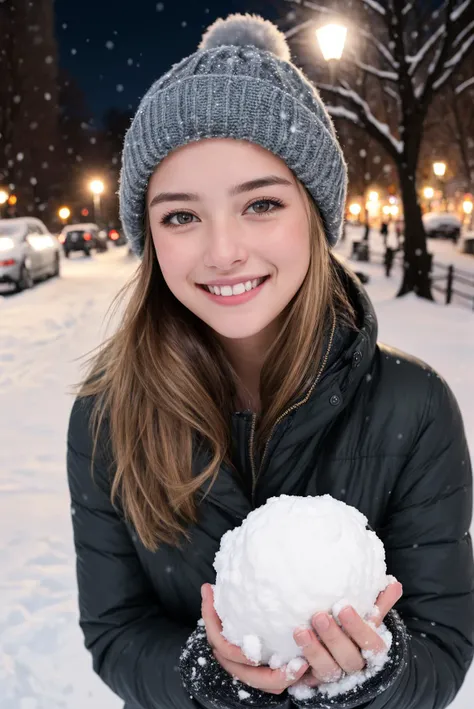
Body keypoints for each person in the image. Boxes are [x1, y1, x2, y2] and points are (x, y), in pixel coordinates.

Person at [67, 14, 474, 709]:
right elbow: (116, 631)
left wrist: (378, 671)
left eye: (260, 203)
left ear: (315, 214)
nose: (223, 250)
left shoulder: (415, 404)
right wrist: (205, 673)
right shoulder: (106, 416)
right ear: (149, 235)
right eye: (181, 215)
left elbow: (443, 641)